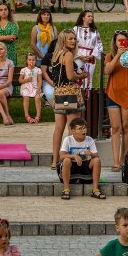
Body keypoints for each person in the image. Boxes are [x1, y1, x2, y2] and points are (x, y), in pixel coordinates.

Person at [104, 30, 128, 171]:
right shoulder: (110, 56)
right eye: (119, 40)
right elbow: (107, 71)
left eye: (123, 40)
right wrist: (118, 55)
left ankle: (123, 159)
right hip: (113, 93)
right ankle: (116, 161)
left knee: (126, 126)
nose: (121, 43)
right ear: (114, 42)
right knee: (115, 127)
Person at [47, 29, 87, 167]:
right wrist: (81, 76)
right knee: (73, 128)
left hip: (58, 93)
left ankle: (54, 160)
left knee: (58, 128)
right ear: (63, 40)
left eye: (74, 38)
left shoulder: (56, 54)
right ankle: (70, 159)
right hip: (69, 93)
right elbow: (70, 76)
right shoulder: (68, 54)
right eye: (70, 38)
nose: (73, 41)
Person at [58, 117, 106, 200]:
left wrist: (91, 154)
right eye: (80, 128)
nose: (84, 130)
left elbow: (96, 155)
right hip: (71, 168)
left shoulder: (89, 139)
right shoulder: (68, 139)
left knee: (97, 160)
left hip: (85, 168)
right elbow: (61, 156)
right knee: (66, 160)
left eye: (84, 128)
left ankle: (95, 190)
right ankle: (66, 190)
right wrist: (74, 156)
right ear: (73, 131)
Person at [74, 10, 103, 93]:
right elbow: (72, 43)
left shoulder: (95, 30)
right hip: (78, 57)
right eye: (88, 16)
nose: (91, 18)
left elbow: (99, 44)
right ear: (83, 18)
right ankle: (77, 98)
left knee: (88, 78)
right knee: (77, 76)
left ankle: (88, 98)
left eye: (92, 16)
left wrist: (93, 55)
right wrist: (79, 55)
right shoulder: (76, 29)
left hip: (90, 57)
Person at [19, 52, 42, 124]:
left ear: (36, 61)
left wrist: (38, 88)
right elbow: (20, 80)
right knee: (26, 97)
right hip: (26, 87)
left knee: (37, 97)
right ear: (27, 61)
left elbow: (40, 80)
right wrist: (26, 80)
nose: (31, 61)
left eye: (33, 60)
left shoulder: (38, 70)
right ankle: (27, 115)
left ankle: (38, 115)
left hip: (35, 87)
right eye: (29, 60)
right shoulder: (24, 70)